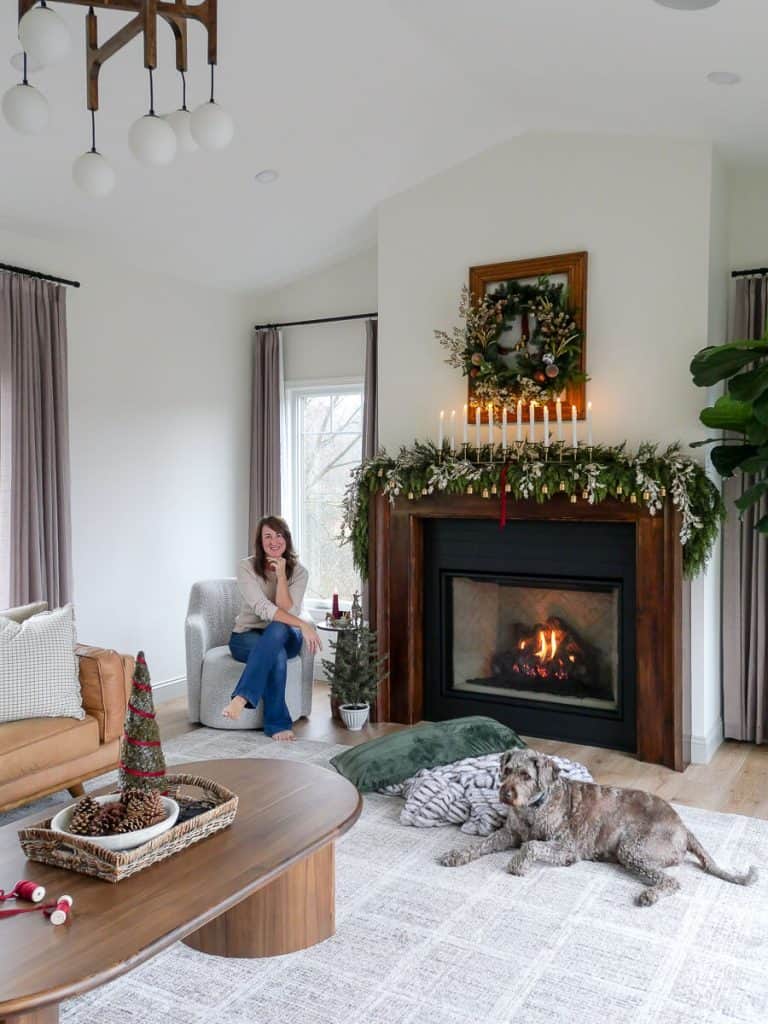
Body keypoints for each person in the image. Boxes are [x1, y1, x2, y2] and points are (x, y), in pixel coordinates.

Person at [222, 516, 322, 740]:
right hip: (246, 636)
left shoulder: (299, 572)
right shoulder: (246, 567)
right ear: (260, 541)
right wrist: (303, 625)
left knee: (279, 626)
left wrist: (281, 576)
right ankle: (277, 724)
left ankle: (241, 696)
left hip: (285, 635)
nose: (274, 541)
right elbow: (263, 608)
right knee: (275, 654)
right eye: (268, 536)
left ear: (287, 539)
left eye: (279, 535)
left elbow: (288, 610)